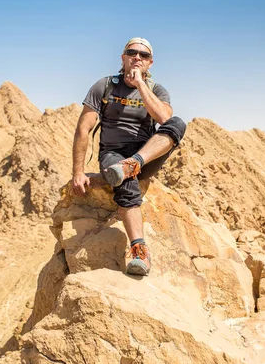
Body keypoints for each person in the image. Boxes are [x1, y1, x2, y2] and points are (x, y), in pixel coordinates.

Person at [71, 37, 186, 276]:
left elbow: (165, 119)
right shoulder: (104, 86)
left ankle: (132, 164)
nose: (137, 58)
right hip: (112, 154)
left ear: (150, 63)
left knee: (177, 124)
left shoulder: (156, 90)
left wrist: (141, 85)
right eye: (132, 53)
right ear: (123, 58)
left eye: (143, 56)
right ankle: (139, 252)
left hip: (146, 155)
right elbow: (84, 129)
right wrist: (78, 172)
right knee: (124, 183)